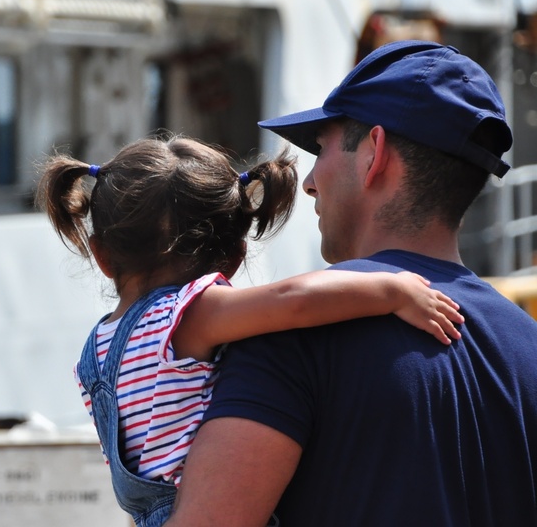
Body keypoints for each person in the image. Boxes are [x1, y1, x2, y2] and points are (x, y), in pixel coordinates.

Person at [164, 40, 537, 527]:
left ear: (375, 154)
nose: (310, 182)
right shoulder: (527, 343)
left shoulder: (292, 331)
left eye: (321, 149)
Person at [35, 134, 464, 527]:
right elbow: (292, 302)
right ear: (234, 259)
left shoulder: (99, 347)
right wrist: (393, 290)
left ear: (102, 256)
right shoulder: (186, 316)